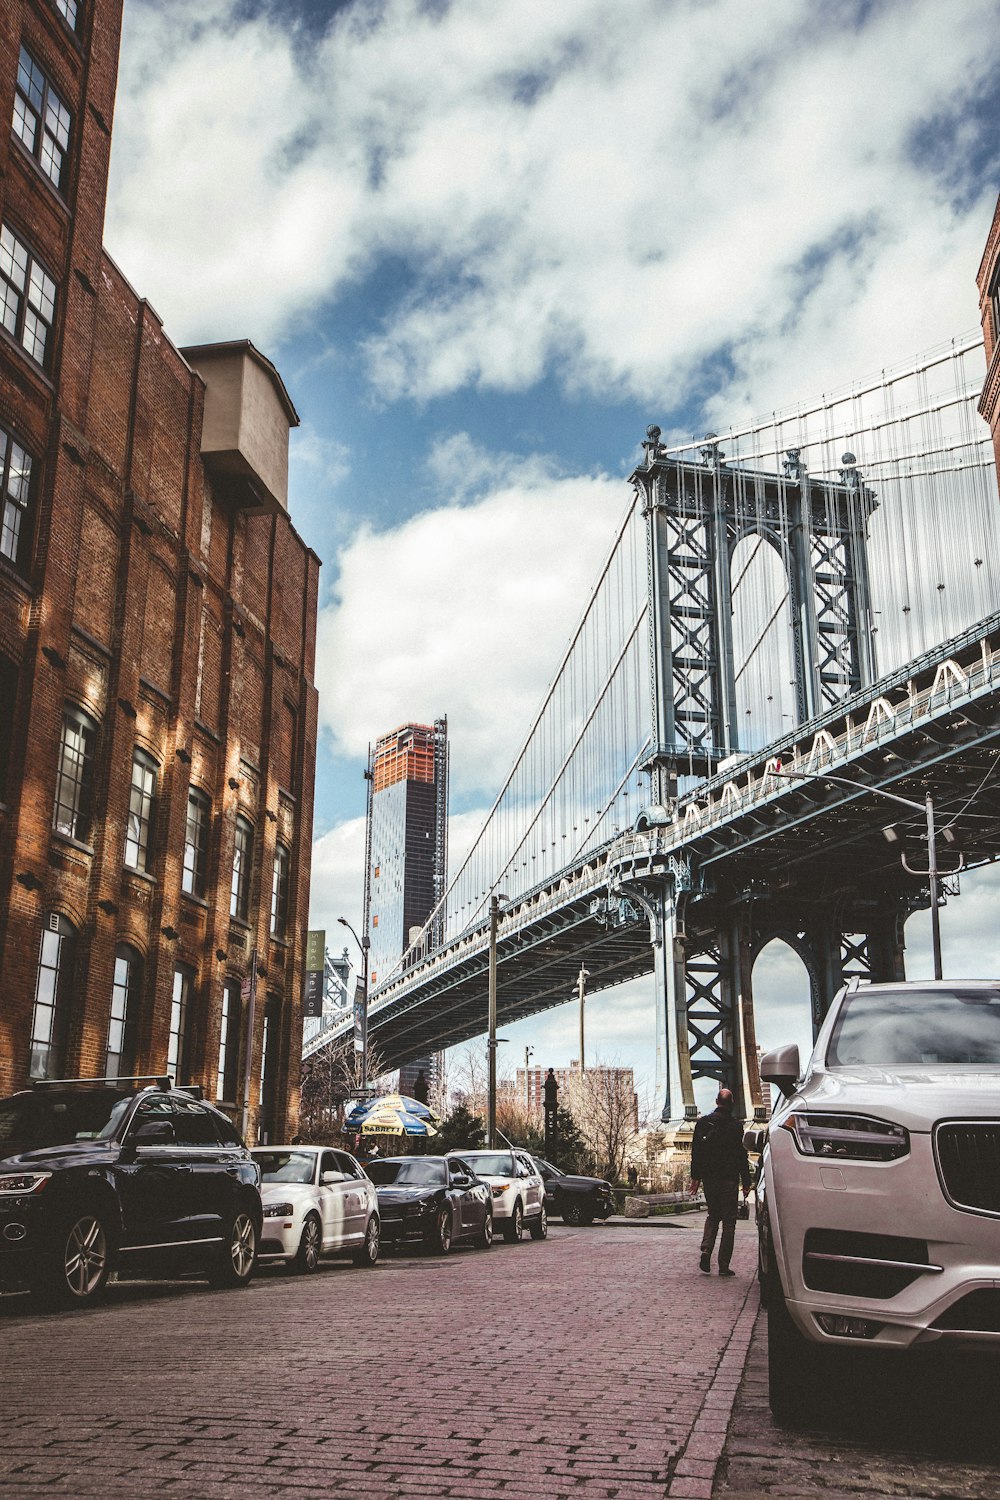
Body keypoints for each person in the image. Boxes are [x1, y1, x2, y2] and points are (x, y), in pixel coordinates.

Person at [689, 1088, 751, 1277]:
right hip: (729, 1180)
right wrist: (746, 1181)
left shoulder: (703, 1123)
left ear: (716, 1101)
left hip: (710, 1179)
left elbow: (696, 1152)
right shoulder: (736, 1126)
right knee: (729, 1222)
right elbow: (742, 1156)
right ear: (731, 1104)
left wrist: (696, 1177)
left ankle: (706, 1249)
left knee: (713, 1215)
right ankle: (724, 1265)